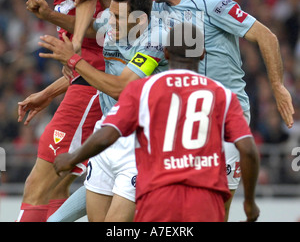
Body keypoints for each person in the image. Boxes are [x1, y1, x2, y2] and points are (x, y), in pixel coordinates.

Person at [75, 0, 294, 220]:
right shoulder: (155, 10)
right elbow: (120, 14)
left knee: (214, 210)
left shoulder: (212, 4)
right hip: (183, 120)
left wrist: (278, 88)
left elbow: (267, 37)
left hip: (223, 114)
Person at [52, 23, 260, 222]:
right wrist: (249, 202)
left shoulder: (144, 89)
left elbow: (108, 134)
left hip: (158, 196)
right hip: (206, 200)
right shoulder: (223, 95)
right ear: (202, 53)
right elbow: (248, 150)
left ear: (166, 53)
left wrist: (72, 158)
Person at [37, 0, 169, 221]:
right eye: (111, 15)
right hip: (108, 136)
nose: (110, 23)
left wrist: (75, 61)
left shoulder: (157, 39)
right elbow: (86, 27)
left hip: (141, 143)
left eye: (118, 17)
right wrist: (48, 15)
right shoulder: (112, 23)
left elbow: (123, 89)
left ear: (139, 19)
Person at [16, 0, 109, 222]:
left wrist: (73, 39)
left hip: (91, 90)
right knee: (57, 187)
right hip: (93, 86)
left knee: (36, 186)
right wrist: (47, 93)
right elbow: (98, 42)